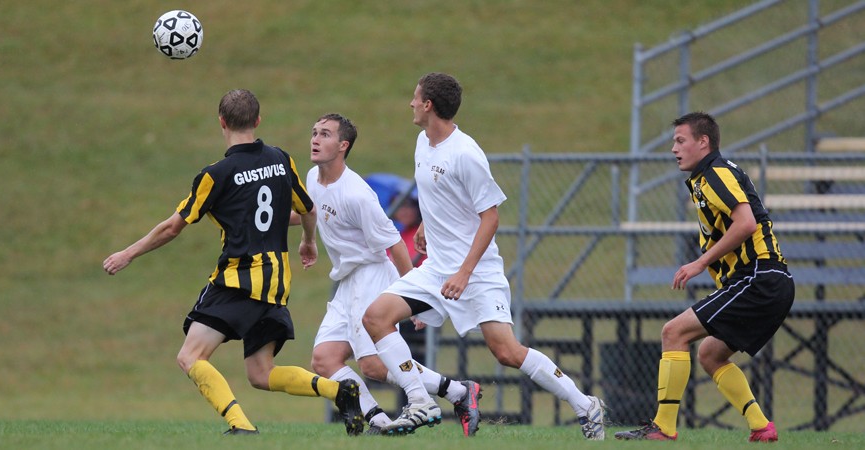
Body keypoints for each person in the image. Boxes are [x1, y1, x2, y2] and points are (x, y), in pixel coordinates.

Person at [102, 89, 363, 436]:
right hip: (277, 281)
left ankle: (241, 426)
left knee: (191, 357)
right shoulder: (281, 159)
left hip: (238, 279)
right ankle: (339, 390)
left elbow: (172, 227)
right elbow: (308, 209)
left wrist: (127, 253)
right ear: (257, 121)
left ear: (222, 122)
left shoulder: (217, 175)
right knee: (261, 373)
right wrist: (309, 242)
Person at [361, 72, 606, 440]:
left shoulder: (465, 153)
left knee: (506, 351)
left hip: (475, 273)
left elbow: (491, 217)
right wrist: (427, 225)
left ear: (429, 105)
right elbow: (435, 194)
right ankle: (421, 401)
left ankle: (586, 405)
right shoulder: (421, 142)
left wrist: (464, 272)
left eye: (415, 98)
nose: (410, 104)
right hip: (435, 270)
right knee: (376, 317)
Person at [297, 113, 482, 436]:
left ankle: (449, 394)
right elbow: (309, 211)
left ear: (343, 146)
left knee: (372, 366)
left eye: (324, 134)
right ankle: (383, 421)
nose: (315, 139)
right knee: (325, 359)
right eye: (314, 132)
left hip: (371, 276)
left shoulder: (358, 195)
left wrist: (416, 300)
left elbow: (395, 245)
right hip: (347, 281)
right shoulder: (313, 177)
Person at [614, 112, 794, 442]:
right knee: (710, 354)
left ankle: (663, 428)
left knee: (674, 332)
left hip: (759, 278)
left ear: (703, 142)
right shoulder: (709, 177)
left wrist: (700, 263)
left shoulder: (716, 174)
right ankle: (761, 426)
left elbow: (746, 224)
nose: (674, 148)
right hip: (768, 281)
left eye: (680, 141)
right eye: (673, 142)